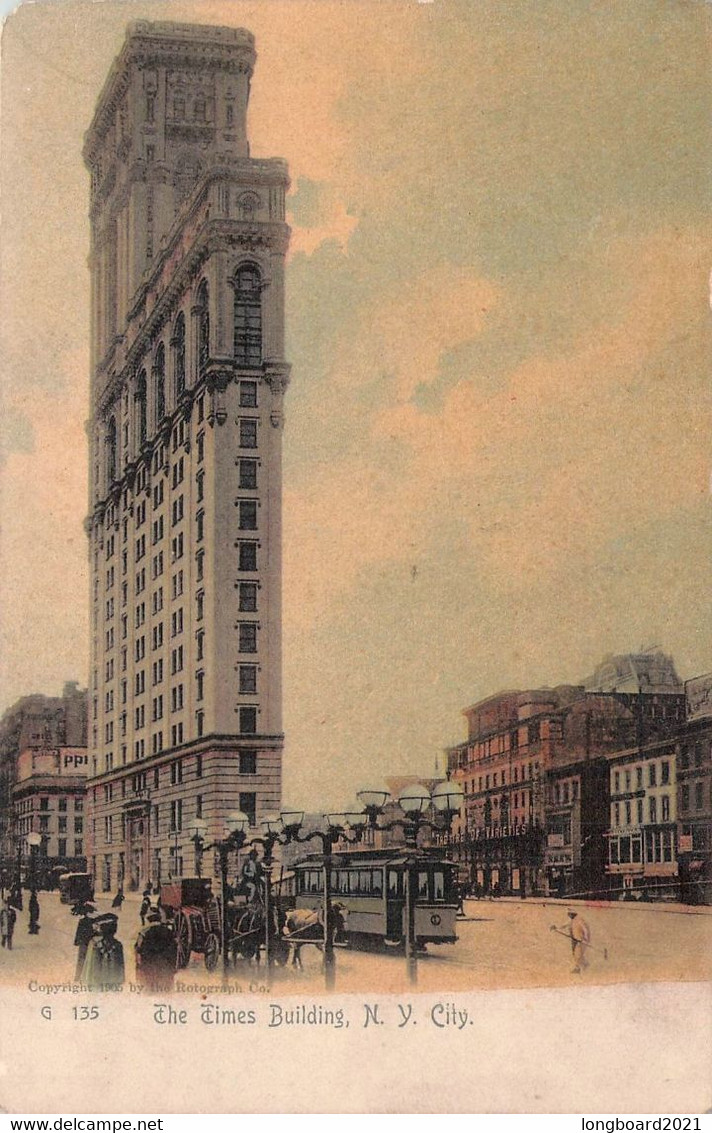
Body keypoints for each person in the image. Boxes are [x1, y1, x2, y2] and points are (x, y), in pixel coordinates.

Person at [135, 908, 177, 993]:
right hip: (166, 971)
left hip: (149, 971)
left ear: (149, 919)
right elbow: (174, 951)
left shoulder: (143, 933)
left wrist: (140, 969)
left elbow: (138, 954)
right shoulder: (169, 932)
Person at [81, 913, 125, 988]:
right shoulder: (96, 943)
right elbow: (93, 967)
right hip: (99, 981)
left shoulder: (116, 945)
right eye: (114, 926)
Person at [73, 904, 96, 980]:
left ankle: (78, 976)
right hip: (89, 943)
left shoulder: (82, 921)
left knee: (81, 960)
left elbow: (78, 933)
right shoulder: (93, 922)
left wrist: (77, 942)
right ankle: (83, 977)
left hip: (83, 943)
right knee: (88, 960)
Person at [564, 909, 591, 973]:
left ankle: (578, 968)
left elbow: (585, 929)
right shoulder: (572, 921)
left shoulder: (579, 920)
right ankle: (585, 964)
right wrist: (556, 928)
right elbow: (565, 925)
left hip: (580, 940)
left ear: (573, 914)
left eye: (570, 914)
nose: (569, 916)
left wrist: (585, 938)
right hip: (574, 940)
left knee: (577, 954)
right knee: (576, 954)